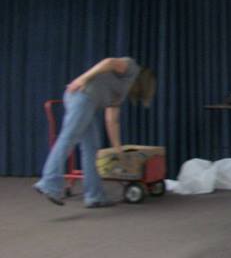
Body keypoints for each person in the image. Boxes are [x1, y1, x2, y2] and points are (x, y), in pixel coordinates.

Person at [34, 57, 155, 207]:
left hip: (87, 104)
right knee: (68, 139)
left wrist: (118, 149)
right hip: (82, 97)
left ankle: (94, 196)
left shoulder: (122, 90)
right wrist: (82, 79)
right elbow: (109, 62)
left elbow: (112, 120)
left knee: (91, 148)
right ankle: (49, 183)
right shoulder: (131, 67)